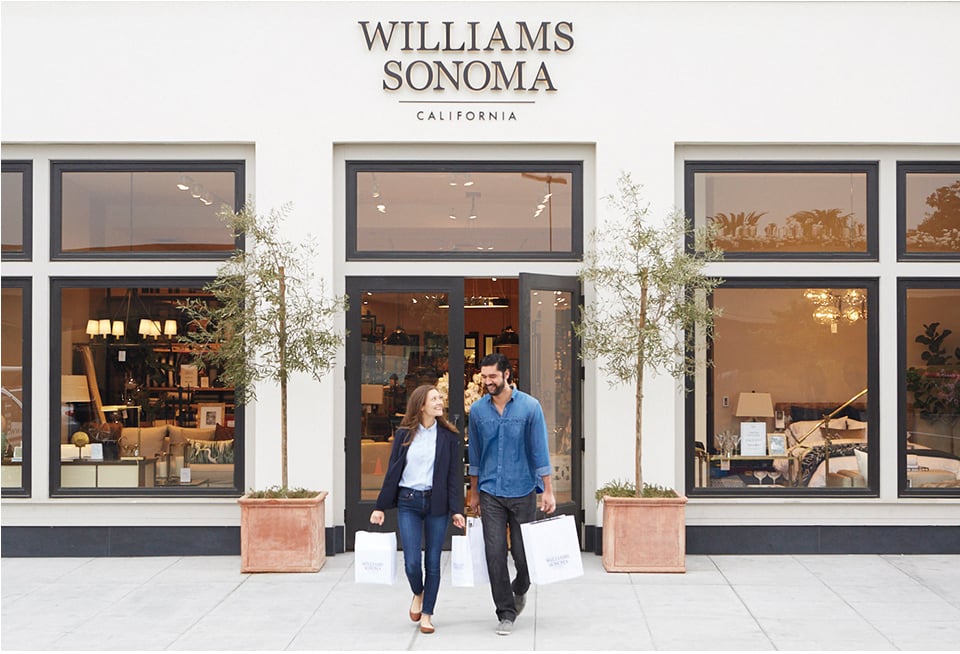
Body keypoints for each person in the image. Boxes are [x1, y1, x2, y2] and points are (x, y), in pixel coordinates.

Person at [467, 353, 555, 636]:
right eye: (484, 376)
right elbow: (476, 454)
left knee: (522, 553)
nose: (487, 381)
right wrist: (474, 492)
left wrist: (548, 490)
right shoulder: (479, 411)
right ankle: (505, 612)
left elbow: (539, 449)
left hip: (523, 490)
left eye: (492, 376)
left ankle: (521, 587)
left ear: (507, 374)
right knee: (494, 553)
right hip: (491, 490)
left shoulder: (530, 407)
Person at [370, 384, 465, 634]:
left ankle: (427, 614)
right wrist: (380, 506)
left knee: (433, 562)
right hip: (409, 501)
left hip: (437, 504)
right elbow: (393, 471)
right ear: (421, 404)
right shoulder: (404, 434)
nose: (439, 402)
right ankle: (418, 593)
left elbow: (453, 477)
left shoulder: (448, 436)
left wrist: (457, 510)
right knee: (412, 562)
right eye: (434, 398)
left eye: (440, 398)